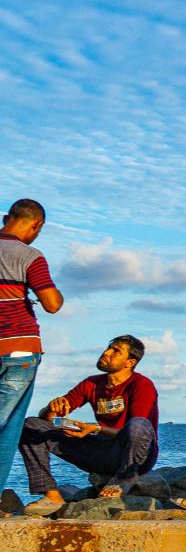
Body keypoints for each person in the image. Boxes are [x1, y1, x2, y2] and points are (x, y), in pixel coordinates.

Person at [17, 335, 158, 513]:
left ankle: (124, 478)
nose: (106, 353)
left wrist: (96, 429)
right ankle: (52, 496)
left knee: (138, 425)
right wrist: (50, 408)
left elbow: (137, 430)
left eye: (116, 351)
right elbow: (48, 418)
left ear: (130, 362)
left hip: (135, 457)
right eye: (108, 348)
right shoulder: (91, 383)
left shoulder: (141, 384)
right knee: (31, 425)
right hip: (102, 452)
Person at [0, 199, 62, 497]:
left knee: (8, 427)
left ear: (6, 218)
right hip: (20, 349)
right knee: (7, 428)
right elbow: (52, 304)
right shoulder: (30, 256)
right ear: (36, 225)